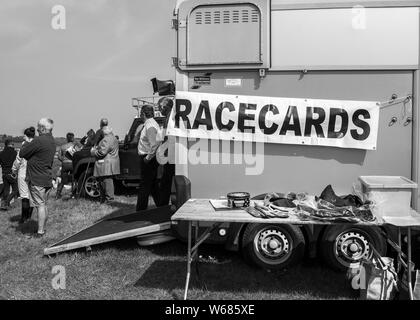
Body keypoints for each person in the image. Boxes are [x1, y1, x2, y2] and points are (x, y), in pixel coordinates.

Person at [19, 118, 56, 237]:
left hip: (36, 177)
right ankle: (43, 229)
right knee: (44, 204)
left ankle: (40, 232)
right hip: (47, 177)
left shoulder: (39, 140)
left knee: (40, 205)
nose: (37, 129)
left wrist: (28, 142)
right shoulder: (52, 141)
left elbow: (22, 153)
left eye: (38, 127)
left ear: (43, 128)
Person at [136, 105, 160, 211]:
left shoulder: (149, 126)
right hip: (150, 158)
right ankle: (161, 205)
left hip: (148, 159)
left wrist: (147, 158)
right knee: (153, 185)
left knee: (144, 186)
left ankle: (140, 210)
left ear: (143, 114)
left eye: (141, 113)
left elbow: (154, 144)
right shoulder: (151, 124)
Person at [90, 126, 120, 203]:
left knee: (106, 181)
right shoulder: (114, 138)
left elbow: (102, 152)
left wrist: (93, 152)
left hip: (105, 163)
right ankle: (107, 198)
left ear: (104, 132)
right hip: (111, 162)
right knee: (106, 181)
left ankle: (109, 199)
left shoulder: (106, 139)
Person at [12, 127, 36, 223]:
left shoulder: (24, 146)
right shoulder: (37, 145)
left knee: (24, 196)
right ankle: (29, 217)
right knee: (32, 196)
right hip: (34, 173)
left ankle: (23, 218)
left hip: (23, 172)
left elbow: (18, 160)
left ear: (26, 135)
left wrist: (14, 170)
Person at [156, 97, 175, 207]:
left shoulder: (170, 118)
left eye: (160, 107)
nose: (159, 110)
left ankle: (162, 205)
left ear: (165, 106)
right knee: (166, 181)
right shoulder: (169, 117)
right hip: (171, 153)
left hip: (170, 154)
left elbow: (168, 137)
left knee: (166, 182)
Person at [56, 132, 76, 199]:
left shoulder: (62, 146)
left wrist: (63, 160)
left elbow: (59, 156)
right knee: (74, 180)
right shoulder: (75, 146)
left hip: (64, 164)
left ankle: (58, 194)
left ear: (67, 138)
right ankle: (73, 194)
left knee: (63, 180)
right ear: (73, 138)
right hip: (72, 164)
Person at [0, 139, 18, 210]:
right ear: (10, 144)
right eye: (12, 144)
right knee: (15, 190)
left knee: (6, 190)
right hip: (11, 173)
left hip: (4, 173)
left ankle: (5, 204)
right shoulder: (14, 153)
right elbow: (17, 163)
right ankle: (6, 203)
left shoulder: (1, 153)